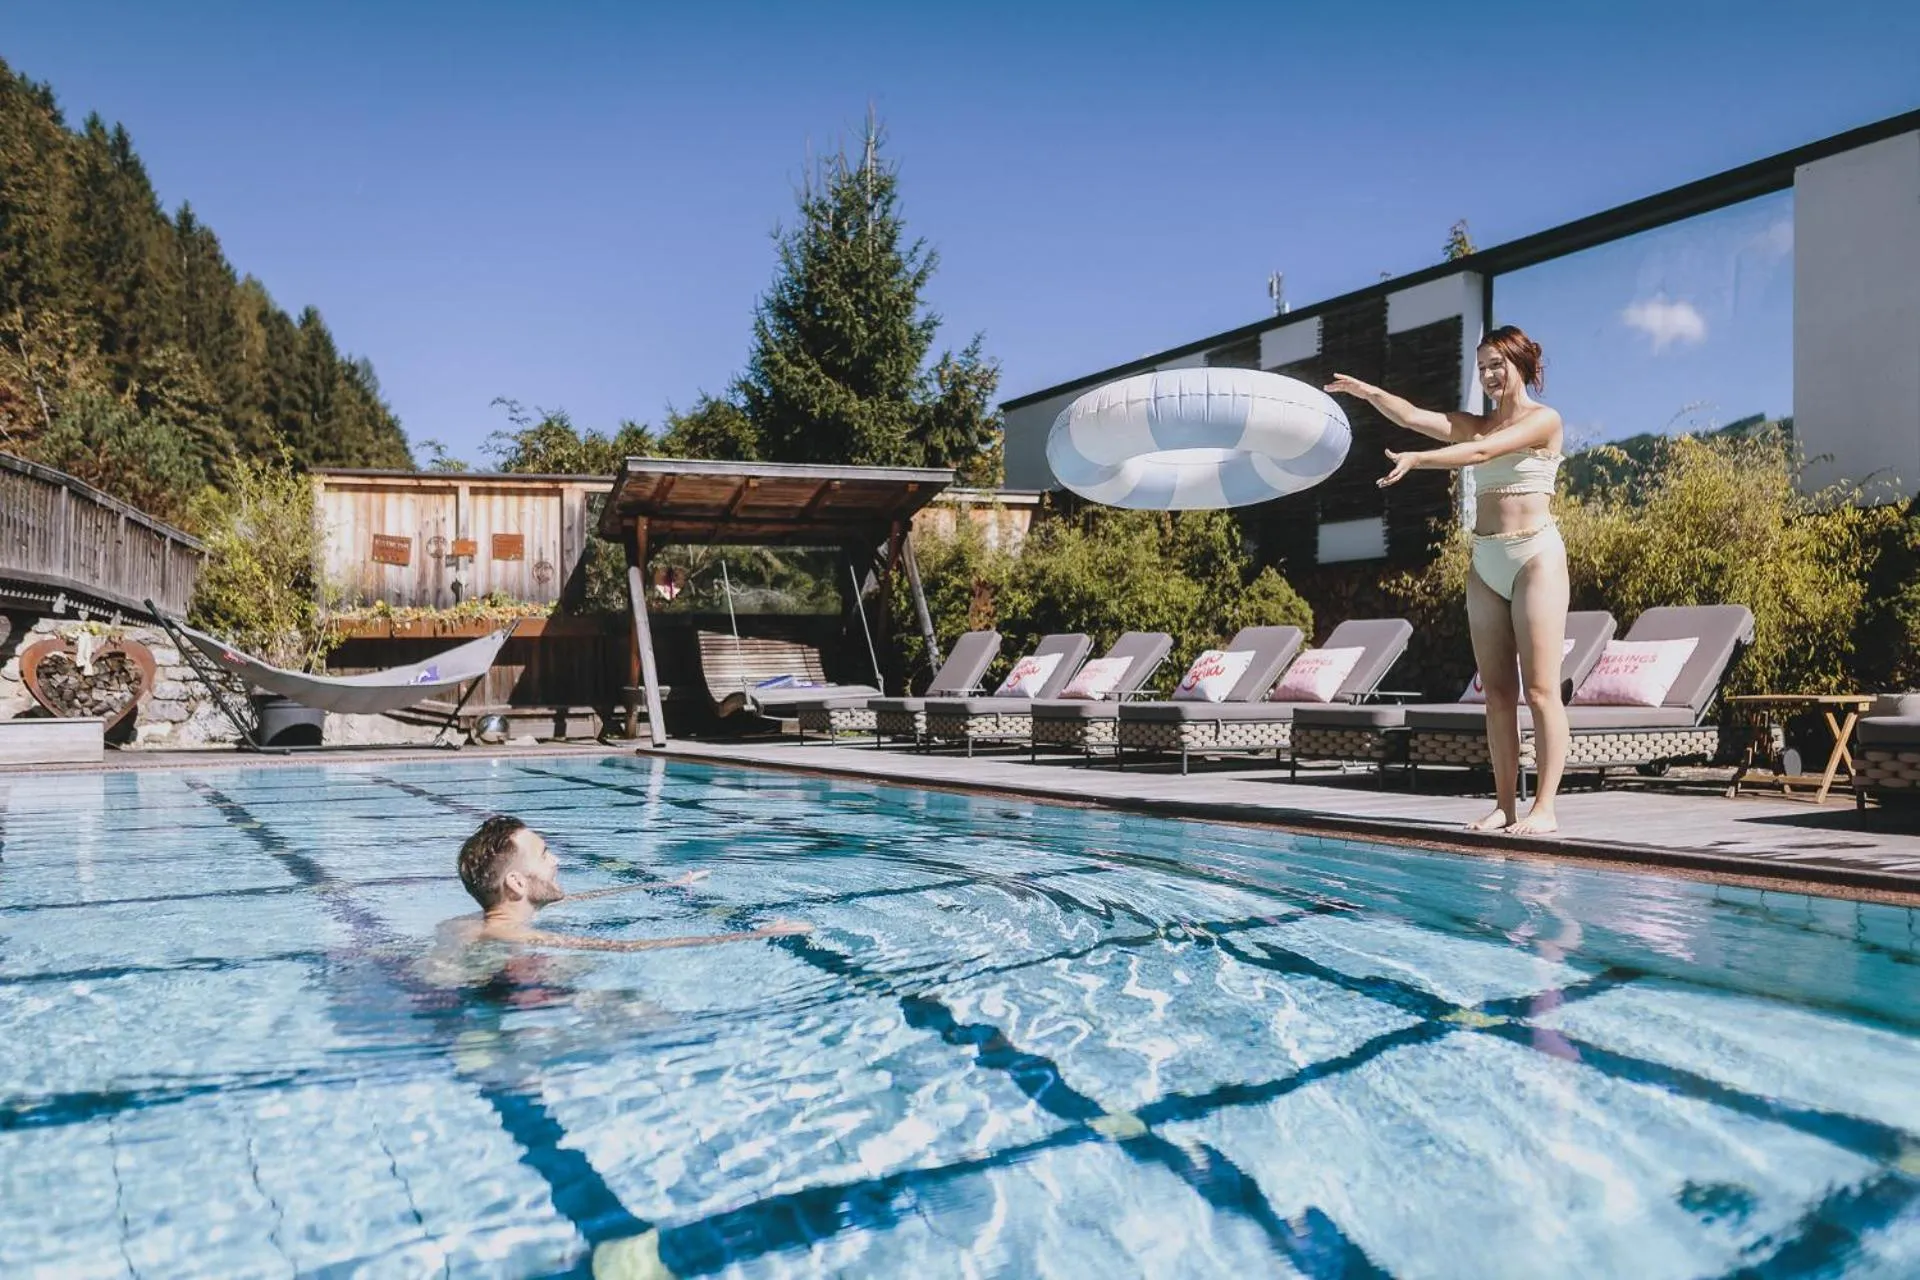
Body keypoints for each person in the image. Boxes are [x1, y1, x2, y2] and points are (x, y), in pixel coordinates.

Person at [1325, 324, 1568, 834]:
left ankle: (1544, 807)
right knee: (1497, 694)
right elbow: (1415, 417)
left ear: (1520, 362)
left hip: (1535, 557)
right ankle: (1505, 805)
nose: (1489, 375)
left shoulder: (1544, 420)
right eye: (1481, 368)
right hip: (1485, 561)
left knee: (1541, 691)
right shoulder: (1477, 424)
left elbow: (1482, 455)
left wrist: (1419, 460)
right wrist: (1368, 393)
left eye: (1496, 364)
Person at [445, 814, 811, 951]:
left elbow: (576, 899)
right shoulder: (513, 937)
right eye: (544, 854)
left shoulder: (477, 921)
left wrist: (668, 884)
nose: (556, 861)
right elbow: (628, 946)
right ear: (517, 884)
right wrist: (752, 935)